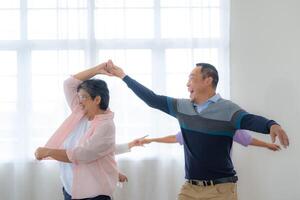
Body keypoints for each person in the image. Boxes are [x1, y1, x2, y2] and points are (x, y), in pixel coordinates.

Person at [104, 61, 289, 200]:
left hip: (221, 190)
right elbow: (152, 99)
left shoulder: (227, 109)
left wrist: (271, 125)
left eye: (191, 78)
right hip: (190, 189)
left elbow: (249, 120)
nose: (187, 84)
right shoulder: (182, 107)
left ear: (208, 80)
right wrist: (123, 76)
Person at [35, 62, 121, 200]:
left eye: (83, 97)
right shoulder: (80, 112)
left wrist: (48, 151)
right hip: (70, 190)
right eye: (79, 97)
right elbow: (69, 84)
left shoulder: (106, 126)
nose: (79, 101)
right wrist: (98, 69)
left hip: (94, 195)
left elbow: (82, 154)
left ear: (97, 99)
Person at [141, 130, 281, 151]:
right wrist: (153, 140)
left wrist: (267, 144)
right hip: (193, 184)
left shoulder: (224, 122)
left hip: (220, 183)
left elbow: (246, 139)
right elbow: (175, 138)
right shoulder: (192, 124)